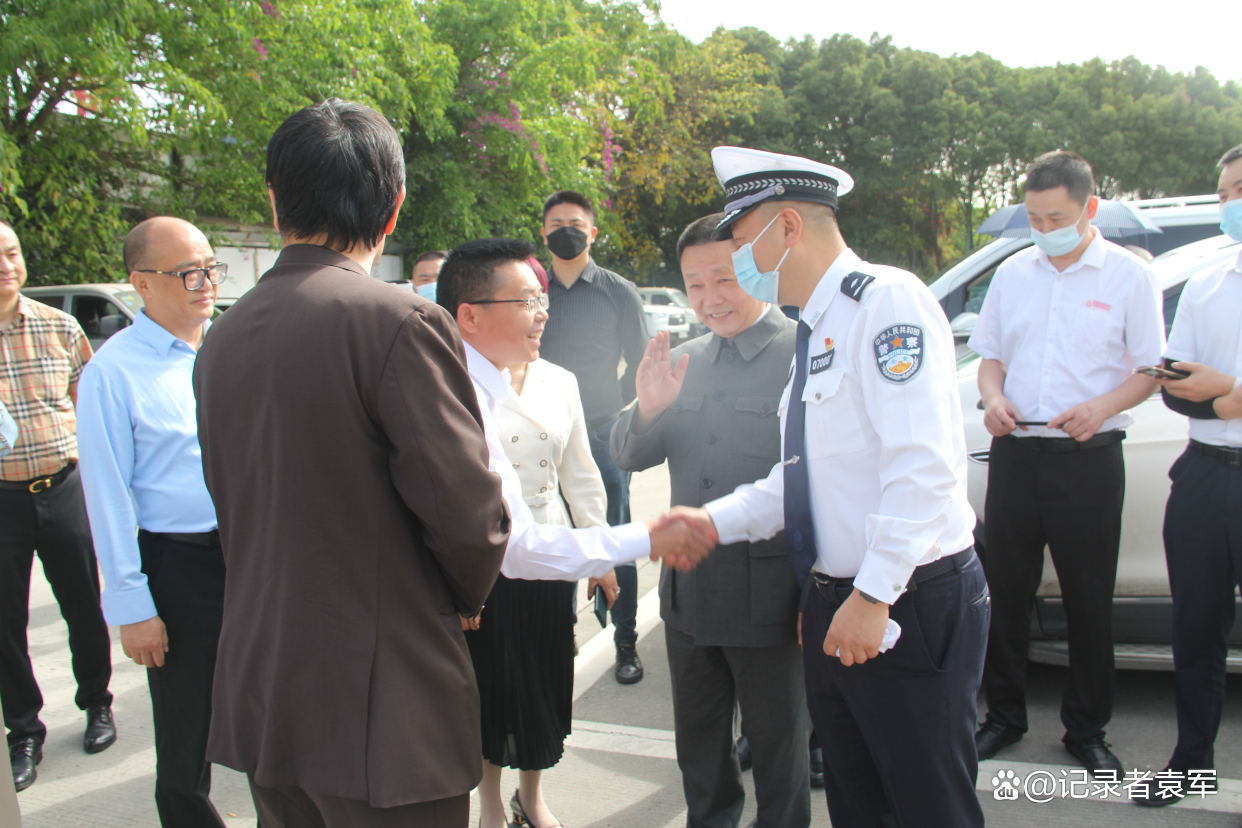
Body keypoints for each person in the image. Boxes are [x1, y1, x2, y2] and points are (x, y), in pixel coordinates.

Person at [194, 99, 513, 827]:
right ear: (393, 207)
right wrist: (464, 597)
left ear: (275, 200)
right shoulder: (396, 320)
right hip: (380, 708)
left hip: (268, 689)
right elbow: (468, 515)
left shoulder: (222, 336)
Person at [667, 146, 989, 827]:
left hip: (905, 600)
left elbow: (925, 469)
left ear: (787, 227)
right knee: (857, 802)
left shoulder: (886, 303)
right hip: (838, 602)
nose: (737, 260)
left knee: (926, 805)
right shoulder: (816, 330)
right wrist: (711, 522)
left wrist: (873, 594)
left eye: (742, 239)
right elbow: (801, 482)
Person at [611, 213, 811, 828]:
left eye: (723, 279)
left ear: (757, 267)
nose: (709, 298)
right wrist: (646, 410)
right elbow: (627, 454)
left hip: (772, 598)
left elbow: (817, 486)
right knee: (699, 749)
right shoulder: (684, 359)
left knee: (781, 754)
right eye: (695, 285)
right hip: (690, 599)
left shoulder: (803, 356)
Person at [968, 150, 1165, 775]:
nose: (1044, 226)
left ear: (1089, 209)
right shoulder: (1014, 274)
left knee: (1087, 598)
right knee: (1005, 594)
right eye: (1034, 215)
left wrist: (1101, 407)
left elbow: (1150, 371)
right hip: (1017, 455)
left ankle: (1086, 726)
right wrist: (992, 398)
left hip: (1088, 458)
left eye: (1056, 215)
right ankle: (1003, 715)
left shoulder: (1130, 278)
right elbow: (991, 357)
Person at [440, 237, 612, 828]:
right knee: (490, 686)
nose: (542, 312)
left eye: (543, 299)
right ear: (471, 314)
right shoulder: (445, 383)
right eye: (527, 300)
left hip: (549, 550)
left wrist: (599, 552)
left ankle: (531, 796)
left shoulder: (558, 381)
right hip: (483, 567)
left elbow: (581, 475)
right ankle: (489, 802)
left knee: (543, 677)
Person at [76, 217, 227, 827]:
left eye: (210, 268)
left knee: (276, 710)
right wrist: (132, 606)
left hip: (255, 553)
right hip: (179, 565)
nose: (205, 282)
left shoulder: (232, 344)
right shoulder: (113, 372)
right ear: (141, 282)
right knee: (188, 730)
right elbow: (108, 496)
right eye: (187, 272)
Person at [1134, 144, 1242, 807]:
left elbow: (1211, 387)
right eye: (1227, 191)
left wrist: (1229, 390)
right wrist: (1217, 398)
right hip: (1205, 476)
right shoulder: (1208, 284)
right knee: (1196, 631)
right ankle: (1190, 761)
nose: (1233, 202)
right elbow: (1176, 387)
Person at [0, 220, 116, 793]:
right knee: (5, 623)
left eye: (12, 252)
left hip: (63, 487)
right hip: (2, 499)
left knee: (82, 606)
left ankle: (97, 702)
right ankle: (23, 730)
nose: (6, 265)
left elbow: (85, 404)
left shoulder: (59, 327)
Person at [538, 190, 651, 684]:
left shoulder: (617, 290)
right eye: (557, 222)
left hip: (602, 433)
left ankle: (625, 644)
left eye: (576, 222)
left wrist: (611, 405)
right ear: (543, 232)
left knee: (613, 539)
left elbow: (642, 358)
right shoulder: (531, 291)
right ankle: (556, 635)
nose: (567, 229)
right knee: (547, 539)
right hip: (539, 435)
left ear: (592, 232)